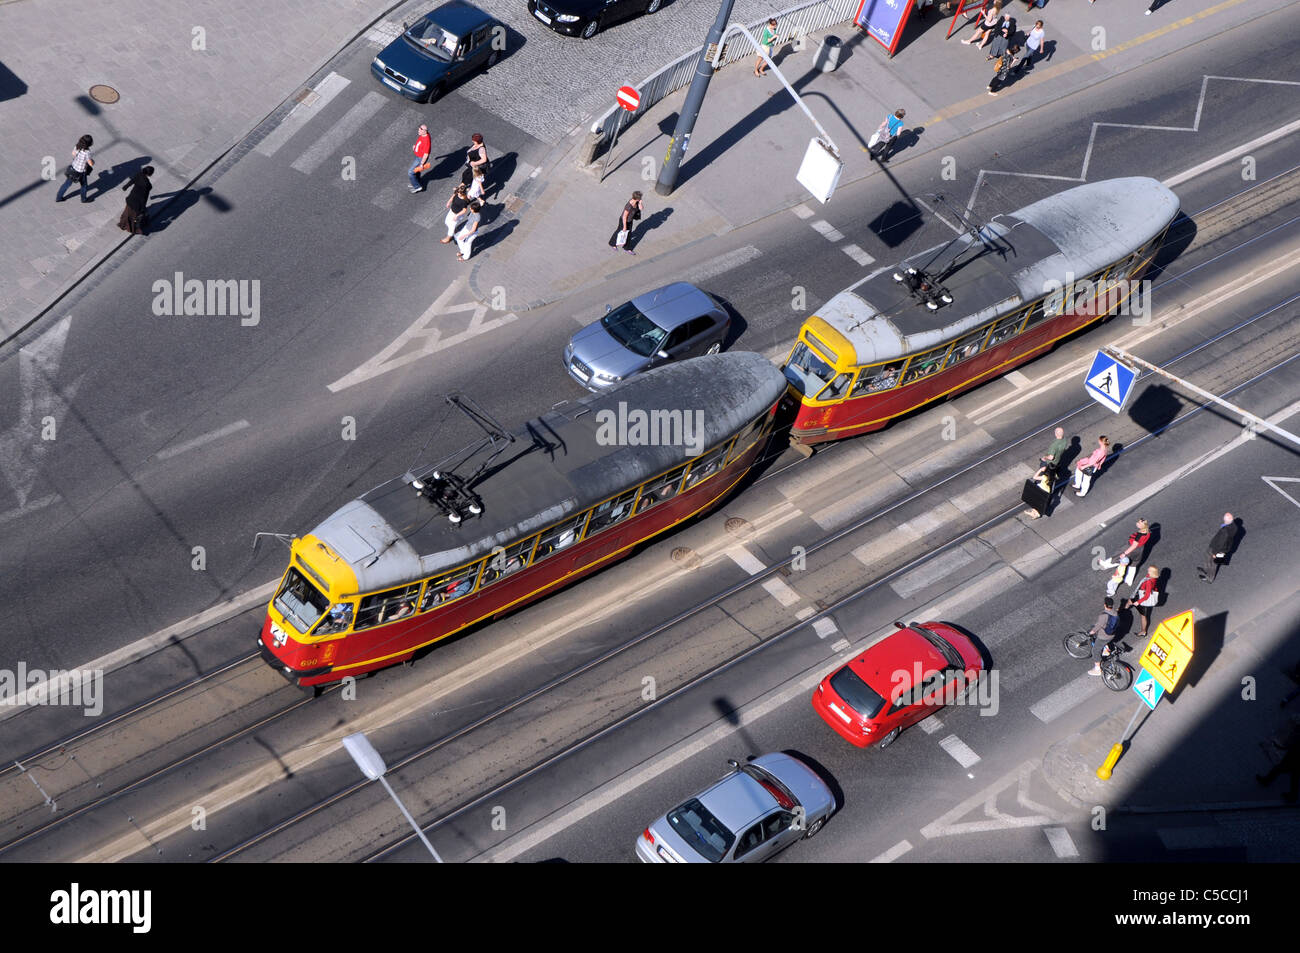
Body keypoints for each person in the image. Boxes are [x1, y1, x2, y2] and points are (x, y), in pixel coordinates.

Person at [1197, 512, 1238, 583]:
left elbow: (1221, 543)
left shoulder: (1225, 531)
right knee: (1208, 557)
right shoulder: (1234, 526)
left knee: (1213, 563)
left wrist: (1215, 553)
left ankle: (1209, 578)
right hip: (1223, 547)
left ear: (1226, 521)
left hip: (1218, 549)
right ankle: (1206, 570)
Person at [55, 134, 94, 203]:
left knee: (67, 184)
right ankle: (84, 199)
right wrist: (92, 161)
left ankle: (58, 197)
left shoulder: (77, 146)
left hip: (73, 168)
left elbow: (73, 154)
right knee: (84, 185)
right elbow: (91, 163)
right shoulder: (87, 152)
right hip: (81, 171)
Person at [1123, 566, 1161, 638]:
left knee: (1143, 616)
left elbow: (1147, 596)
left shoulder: (1149, 581)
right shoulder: (1152, 578)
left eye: (1149, 570)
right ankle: (1124, 609)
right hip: (1139, 595)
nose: (1147, 570)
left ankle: (1143, 631)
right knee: (1130, 602)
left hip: (1141, 598)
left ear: (1152, 572)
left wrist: (1138, 602)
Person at [1086, 597, 1120, 677]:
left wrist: (1090, 632)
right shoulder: (1115, 612)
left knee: (1095, 651)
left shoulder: (1103, 615)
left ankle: (1097, 669)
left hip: (1104, 636)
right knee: (1104, 642)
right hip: (1112, 635)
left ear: (1105, 605)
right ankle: (1105, 649)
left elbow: (1097, 627)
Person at [117, 166, 153, 234]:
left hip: (131, 197)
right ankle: (130, 228)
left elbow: (132, 181)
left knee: (126, 212)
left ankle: (122, 224)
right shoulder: (147, 184)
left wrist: (126, 186)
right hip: (137, 203)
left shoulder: (139, 174)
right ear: (150, 174)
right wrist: (143, 208)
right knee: (132, 216)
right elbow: (143, 198)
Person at [409, 123, 431, 193]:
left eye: (420, 130)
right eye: (419, 129)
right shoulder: (423, 135)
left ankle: (417, 187)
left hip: (420, 158)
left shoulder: (426, 141)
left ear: (425, 131)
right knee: (417, 171)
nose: (418, 131)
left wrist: (422, 163)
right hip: (418, 156)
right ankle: (416, 182)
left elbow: (426, 154)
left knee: (410, 172)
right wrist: (416, 147)